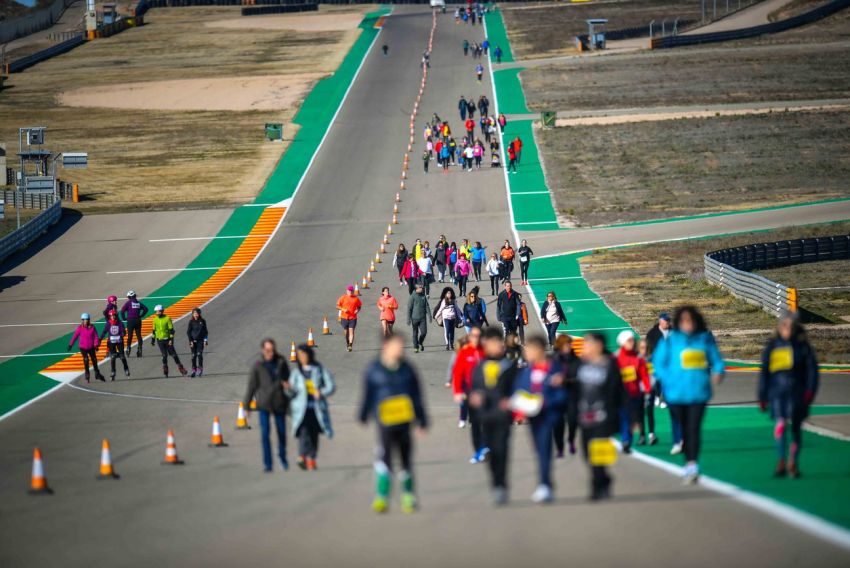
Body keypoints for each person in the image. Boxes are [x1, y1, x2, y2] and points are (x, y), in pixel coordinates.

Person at [652, 306, 725, 484]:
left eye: (690, 320)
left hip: (698, 394)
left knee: (694, 429)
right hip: (676, 394)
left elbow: (716, 360)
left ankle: (692, 465)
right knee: (684, 428)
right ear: (678, 322)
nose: (688, 324)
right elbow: (658, 363)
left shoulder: (704, 340)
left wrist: (718, 371)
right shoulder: (670, 341)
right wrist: (667, 379)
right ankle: (687, 460)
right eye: (684, 320)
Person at [359, 332, 428, 514]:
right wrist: (363, 414)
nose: (400, 349)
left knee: (406, 459)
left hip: (404, 421)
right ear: (386, 346)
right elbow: (368, 393)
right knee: (384, 458)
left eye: (402, 345)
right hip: (384, 422)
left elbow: (417, 395)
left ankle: (408, 495)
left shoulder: (408, 369)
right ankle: (382, 496)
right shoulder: (374, 369)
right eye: (397, 345)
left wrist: (423, 420)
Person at [758, 314, 819, 478]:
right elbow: (765, 373)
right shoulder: (773, 346)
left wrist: (810, 391)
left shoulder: (803, 347)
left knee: (796, 428)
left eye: (790, 327)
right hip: (777, 393)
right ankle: (781, 460)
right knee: (781, 424)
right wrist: (762, 395)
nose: (787, 330)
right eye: (784, 326)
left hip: (798, 393)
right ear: (779, 328)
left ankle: (793, 461)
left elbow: (812, 371)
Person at [512, 335, 566, 503]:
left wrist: (545, 402)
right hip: (534, 418)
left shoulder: (554, 370)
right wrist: (519, 411)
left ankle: (544, 485)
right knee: (539, 450)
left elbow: (563, 394)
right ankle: (546, 482)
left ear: (539, 349)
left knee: (544, 450)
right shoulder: (527, 371)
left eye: (529, 349)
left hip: (549, 416)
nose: (526, 353)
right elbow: (519, 391)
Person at [469, 327, 518, 505]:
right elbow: (473, 389)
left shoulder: (509, 366)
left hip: (503, 416)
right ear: (486, 345)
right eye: (491, 342)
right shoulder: (479, 367)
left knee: (502, 450)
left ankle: (501, 485)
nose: (495, 345)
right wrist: (474, 398)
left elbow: (518, 389)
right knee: (491, 452)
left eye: (498, 342)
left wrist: (511, 401)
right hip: (486, 416)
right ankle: (496, 482)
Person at [576, 332, 623, 500]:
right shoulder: (581, 365)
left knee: (599, 452)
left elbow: (619, 392)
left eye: (589, 344)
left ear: (599, 345)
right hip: (584, 416)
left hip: (603, 416)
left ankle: (597, 487)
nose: (585, 347)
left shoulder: (610, 364)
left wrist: (627, 417)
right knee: (587, 454)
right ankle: (604, 478)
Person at [244, 338, 291, 472]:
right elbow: (252, 386)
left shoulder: (281, 362)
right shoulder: (258, 365)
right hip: (264, 404)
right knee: (265, 435)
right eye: (267, 350)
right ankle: (268, 464)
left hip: (279, 401)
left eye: (272, 350)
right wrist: (247, 406)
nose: (270, 352)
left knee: (281, 433)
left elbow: (288, 377)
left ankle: (282, 457)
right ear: (263, 350)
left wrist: (287, 383)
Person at [289, 344, 335, 471]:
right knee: (304, 432)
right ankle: (302, 456)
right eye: (300, 355)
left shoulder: (319, 369)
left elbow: (330, 386)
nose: (302, 357)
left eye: (304, 354)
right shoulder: (296, 372)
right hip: (301, 409)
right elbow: (291, 392)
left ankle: (312, 459)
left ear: (309, 355)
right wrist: (288, 389)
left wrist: (321, 392)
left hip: (316, 408)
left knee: (314, 434)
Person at [615, 330, 651, 453]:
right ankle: (626, 440)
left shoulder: (638, 358)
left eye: (632, 340)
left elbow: (644, 375)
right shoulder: (616, 358)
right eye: (629, 340)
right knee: (623, 417)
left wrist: (647, 388)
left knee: (632, 419)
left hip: (635, 394)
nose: (632, 342)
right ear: (622, 342)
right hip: (620, 394)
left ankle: (628, 440)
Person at [646, 311, 674, 448]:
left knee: (666, 382)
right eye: (665, 320)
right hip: (656, 361)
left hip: (669, 362)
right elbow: (648, 346)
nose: (667, 322)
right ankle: (657, 396)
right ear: (660, 321)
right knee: (656, 381)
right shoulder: (653, 332)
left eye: (668, 320)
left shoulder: (673, 332)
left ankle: (663, 399)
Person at [452, 326, 484, 437]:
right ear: (470, 337)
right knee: (465, 403)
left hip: (481, 385)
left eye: (479, 336)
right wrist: (457, 391)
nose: (477, 338)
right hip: (467, 384)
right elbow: (457, 373)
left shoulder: (484, 351)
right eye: (474, 336)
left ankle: (475, 419)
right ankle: (462, 418)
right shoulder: (464, 352)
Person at [553, 334, 581, 457]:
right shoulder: (554, 360)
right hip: (557, 397)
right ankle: (559, 446)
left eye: (570, 344)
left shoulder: (577, 360)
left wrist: (568, 381)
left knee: (573, 421)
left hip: (572, 395)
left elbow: (581, 377)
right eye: (566, 344)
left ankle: (571, 440)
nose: (568, 346)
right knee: (558, 424)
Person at [151, 305, 187, 377]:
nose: (157, 313)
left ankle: (181, 368)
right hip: (160, 340)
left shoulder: (167, 318)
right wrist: (153, 340)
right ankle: (165, 368)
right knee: (164, 355)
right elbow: (154, 330)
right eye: (156, 312)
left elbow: (171, 330)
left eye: (159, 311)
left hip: (168, 340)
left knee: (174, 355)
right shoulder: (155, 319)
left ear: (162, 311)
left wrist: (171, 340)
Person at [68, 313, 104, 383]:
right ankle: (87, 373)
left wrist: (96, 345)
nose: (86, 321)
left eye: (87, 320)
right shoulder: (79, 328)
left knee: (94, 359)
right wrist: (70, 345)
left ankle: (97, 373)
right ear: (82, 320)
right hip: (83, 347)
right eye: (84, 320)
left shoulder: (92, 327)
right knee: (86, 359)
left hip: (91, 347)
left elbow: (96, 337)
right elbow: (74, 337)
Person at [100, 309, 130, 381]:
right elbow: (104, 332)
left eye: (114, 316)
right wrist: (100, 339)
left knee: (122, 356)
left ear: (116, 316)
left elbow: (124, 331)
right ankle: (113, 371)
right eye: (111, 316)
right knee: (113, 357)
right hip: (111, 342)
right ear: (109, 317)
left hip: (119, 341)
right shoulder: (108, 323)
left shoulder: (120, 323)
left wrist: (123, 334)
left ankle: (126, 369)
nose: (112, 317)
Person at [120, 290, 148, 357]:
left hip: (130, 321)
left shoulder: (128, 303)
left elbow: (122, 311)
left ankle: (128, 348)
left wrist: (124, 318)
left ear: (129, 297)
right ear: (135, 296)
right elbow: (146, 309)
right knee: (139, 335)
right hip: (138, 320)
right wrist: (141, 315)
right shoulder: (138, 303)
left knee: (130, 335)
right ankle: (140, 349)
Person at [336, 285, 363, 352]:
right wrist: (343, 309)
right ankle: (348, 343)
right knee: (346, 333)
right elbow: (337, 306)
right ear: (347, 291)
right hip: (344, 318)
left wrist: (357, 310)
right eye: (349, 290)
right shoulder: (343, 297)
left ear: (353, 291)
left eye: (351, 291)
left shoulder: (356, 298)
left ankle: (350, 345)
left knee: (351, 332)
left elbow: (359, 306)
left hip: (353, 318)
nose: (350, 292)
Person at [407, 282, 432, 353]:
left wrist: (429, 316)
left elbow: (427, 306)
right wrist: (408, 319)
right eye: (420, 288)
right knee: (415, 333)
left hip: (422, 318)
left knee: (424, 332)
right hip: (414, 318)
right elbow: (409, 308)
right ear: (416, 289)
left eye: (422, 287)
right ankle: (416, 347)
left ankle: (420, 342)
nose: (422, 288)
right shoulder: (412, 297)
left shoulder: (423, 296)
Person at [186, 307, 208, 378]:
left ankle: (200, 369)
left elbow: (205, 332)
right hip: (193, 341)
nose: (195, 315)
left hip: (200, 341)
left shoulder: (203, 321)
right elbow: (188, 332)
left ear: (199, 314)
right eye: (194, 313)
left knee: (199, 354)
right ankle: (194, 370)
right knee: (193, 356)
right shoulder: (191, 322)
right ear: (192, 314)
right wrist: (190, 341)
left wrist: (205, 340)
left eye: (197, 313)